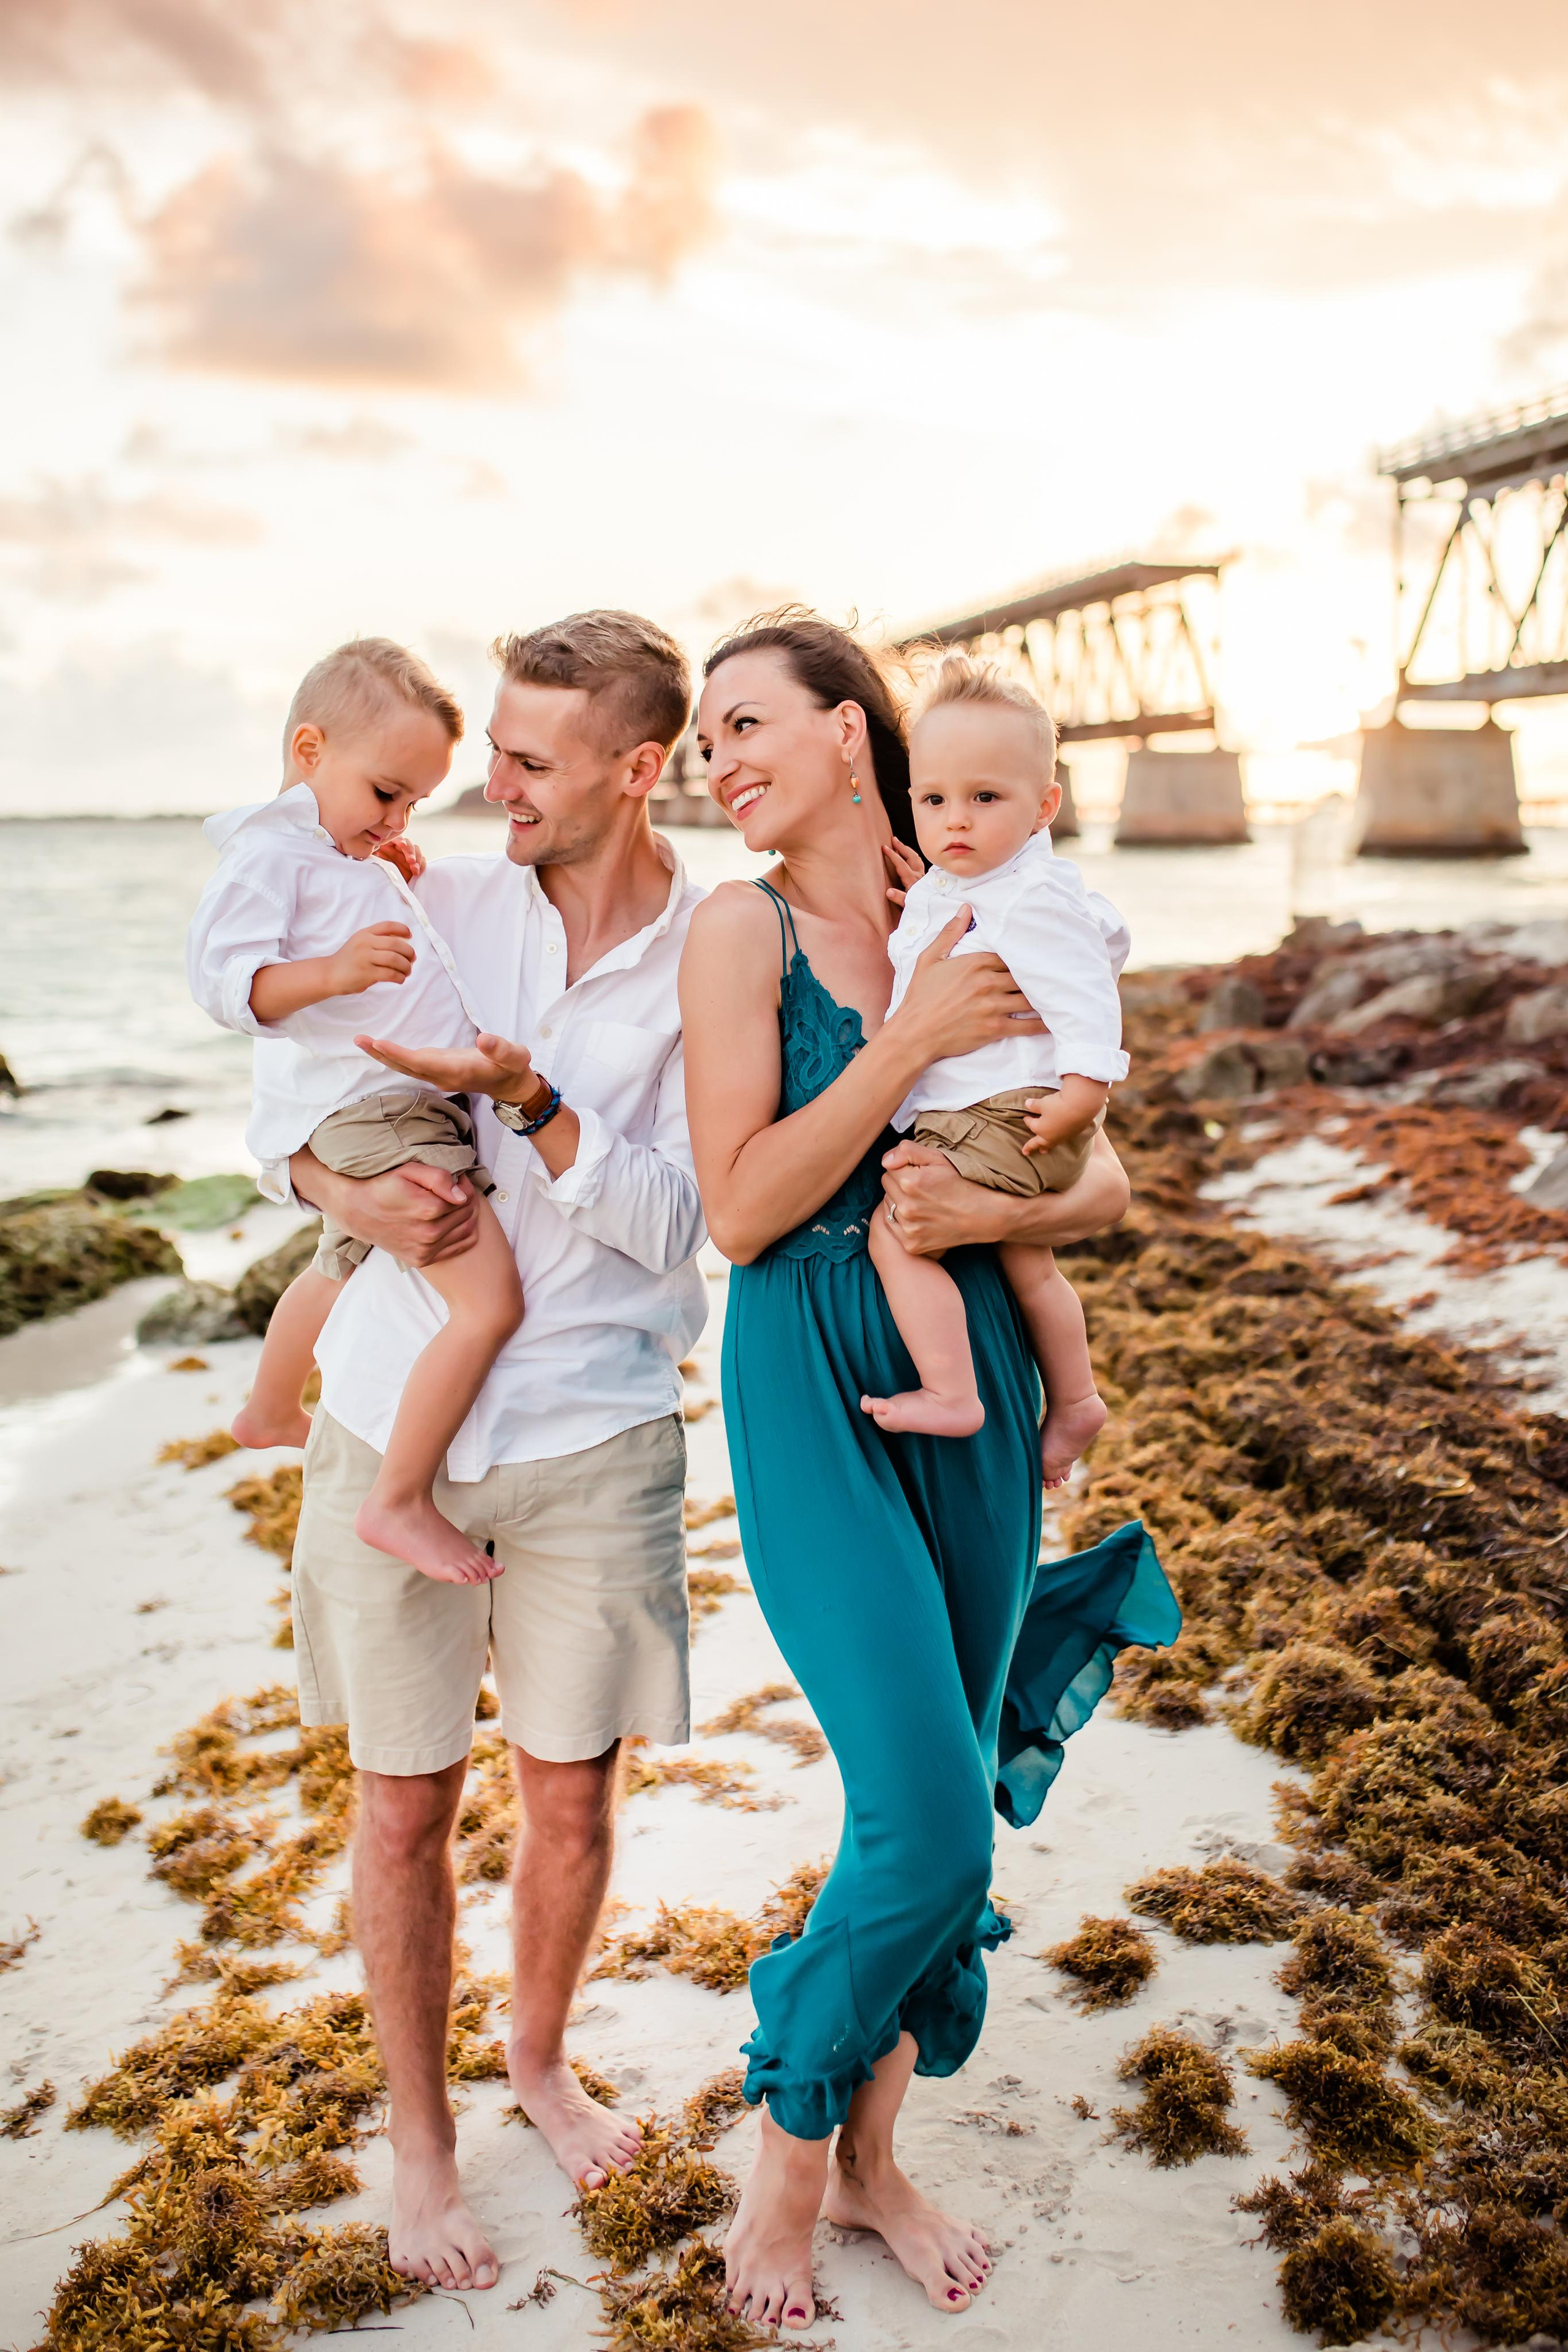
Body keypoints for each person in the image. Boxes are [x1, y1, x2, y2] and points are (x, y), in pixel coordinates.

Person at [679, 609, 1175, 2332]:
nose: (718, 762)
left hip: (960, 1359)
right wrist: (900, 1054)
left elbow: (1104, 1179)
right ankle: (793, 2154)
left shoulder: (975, 886)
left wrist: (988, 1202)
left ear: (843, 729)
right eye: (699, 743)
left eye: (744, 723)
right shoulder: (734, 933)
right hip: (810, 1374)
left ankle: (879, 2153)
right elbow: (741, 1209)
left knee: (949, 1786)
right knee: (930, 1812)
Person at [280, 611, 706, 2294]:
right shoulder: (433, 901)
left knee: (574, 1803)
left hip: (599, 1423)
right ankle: (422, 2144)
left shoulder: (717, 951)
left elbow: (686, 1227)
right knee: (397, 1813)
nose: (495, 792)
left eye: (532, 762)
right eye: (494, 754)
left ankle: (535, 2064)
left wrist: (531, 1101)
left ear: (636, 765)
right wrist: (329, 1190)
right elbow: (283, 1090)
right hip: (396, 1408)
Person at [188, 637, 524, 1587]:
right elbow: (224, 984)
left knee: (338, 1262)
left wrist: (390, 865)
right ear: (309, 751)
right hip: (377, 1108)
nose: (396, 818)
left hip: (388, 1106)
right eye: (386, 794)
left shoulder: (340, 852)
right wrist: (332, 972)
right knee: (489, 1300)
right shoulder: (269, 856)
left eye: (415, 802)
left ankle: (265, 1410)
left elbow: (366, 909)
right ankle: (399, 1499)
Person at [864, 652, 1129, 1486]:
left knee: (896, 1233)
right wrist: (927, 900)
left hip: (1013, 1112)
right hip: (1006, 1108)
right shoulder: (968, 885)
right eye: (935, 799)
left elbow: (1086, 991)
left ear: (1045, 806)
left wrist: (1085, 1096)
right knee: (1029, 1264)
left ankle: (952, 1390)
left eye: (986, 799)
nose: (956, 821)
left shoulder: (1031, 897)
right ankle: (1077, 1398)